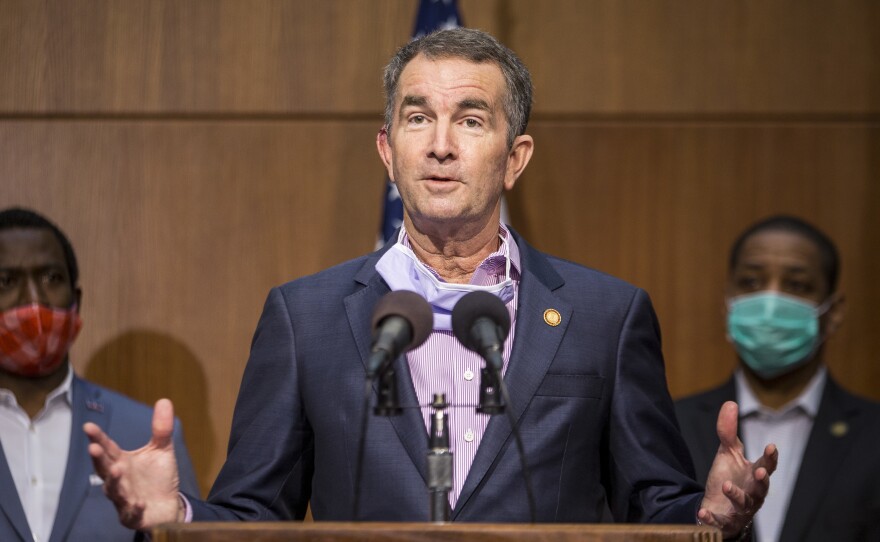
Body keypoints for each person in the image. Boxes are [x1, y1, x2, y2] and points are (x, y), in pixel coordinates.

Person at [85, 28, 775, 538]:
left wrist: (713, 519)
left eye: (470, 120)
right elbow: (251, 517)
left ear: (515, 157)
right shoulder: (306, 316)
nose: (440, 144)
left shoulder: (606, 314)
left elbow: (657, 509)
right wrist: (172, 517)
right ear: (388, 150)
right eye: (417, 118)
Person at [0, 207, 201, 542]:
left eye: (51, 278)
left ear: (76, 299)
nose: (33, 301)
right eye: (6, 281)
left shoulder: (145, 433)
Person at [675, 215, 880, 542]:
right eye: (751, 283)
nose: (770, 304)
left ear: (835, 311)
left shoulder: (873, 435)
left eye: (797, 285)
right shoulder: (673, 426)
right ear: (728, 302)